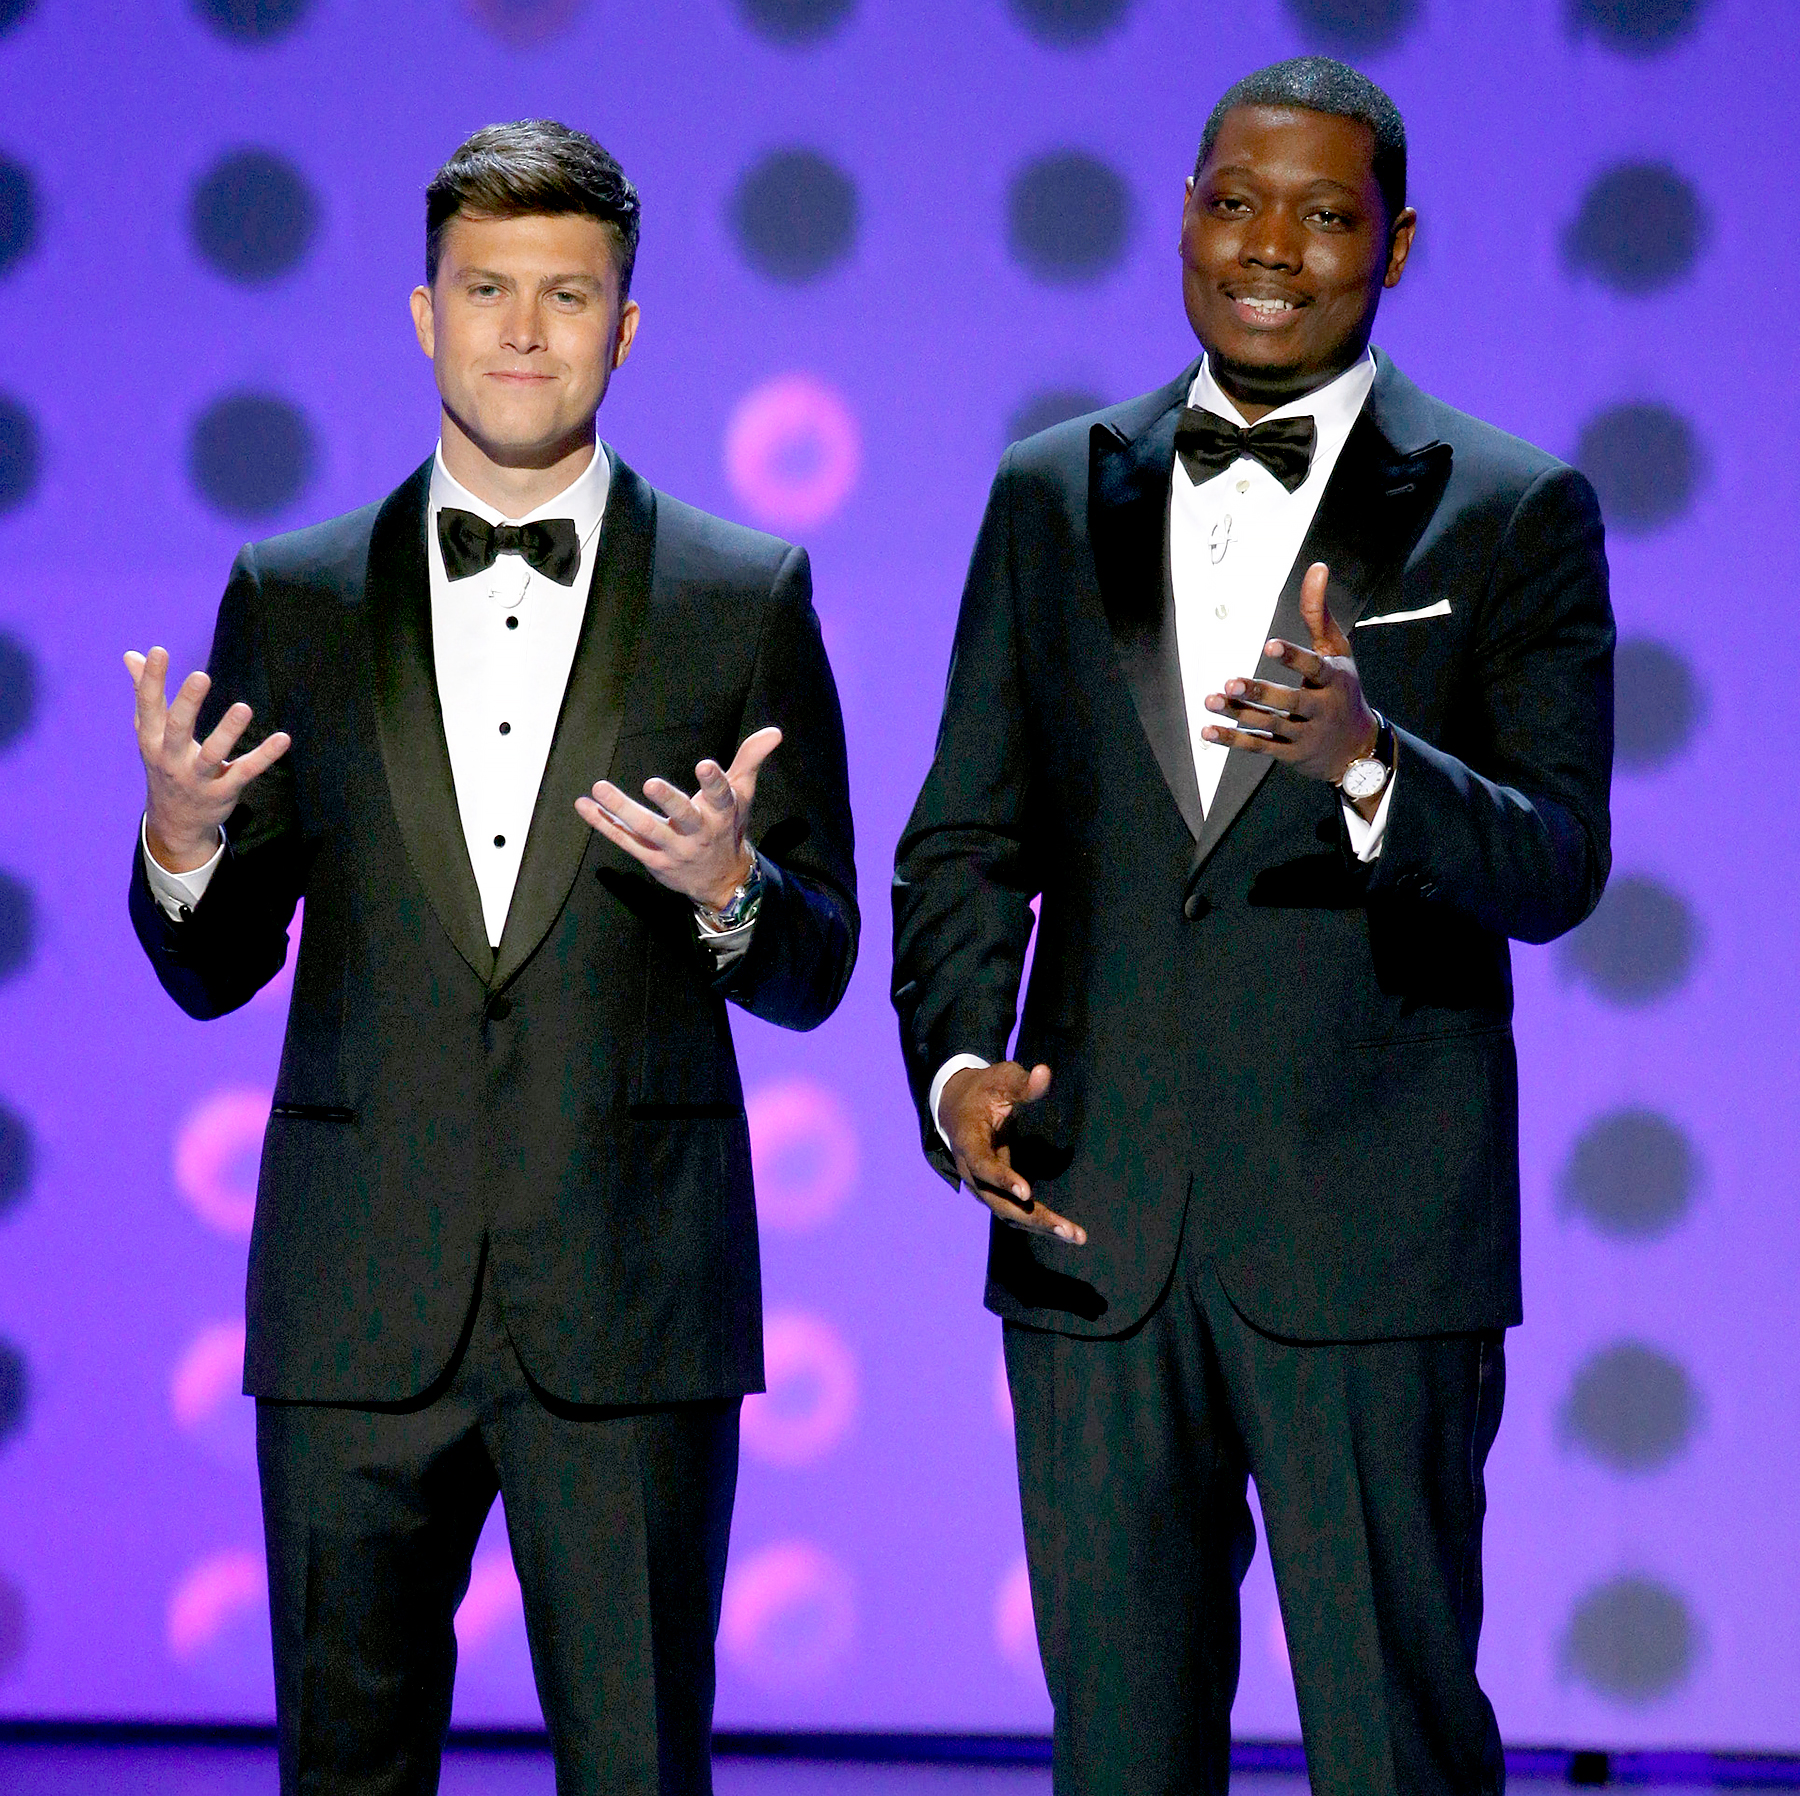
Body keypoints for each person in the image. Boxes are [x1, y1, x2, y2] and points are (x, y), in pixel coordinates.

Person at [892, 57, 1612, 1796]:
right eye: (1235, 200)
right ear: (1186, 215)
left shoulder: (1508, 508)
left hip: (1372, 1242)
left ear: (1398, 243)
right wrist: (957, 1070)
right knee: (1121, 1755)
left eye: (1324, 212)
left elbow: (1558, 859)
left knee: (1393, 1745)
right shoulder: (1050, 490)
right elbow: (967, 838)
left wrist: (1374, 765)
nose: (1270, 245)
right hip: (1093, 1227)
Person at [126, 120, 857, 1796]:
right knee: (346, 1767)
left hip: (633, 1301)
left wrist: (735, 888)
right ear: (423, 314)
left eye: (568, 295)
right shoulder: (291, 594)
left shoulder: (743, 595)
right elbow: (214, 966)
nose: (524, 331)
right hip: (355, 1303)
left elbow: (818, 962)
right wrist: (183, 845)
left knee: (638, 1769)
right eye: (486, 290)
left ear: (627, 325)